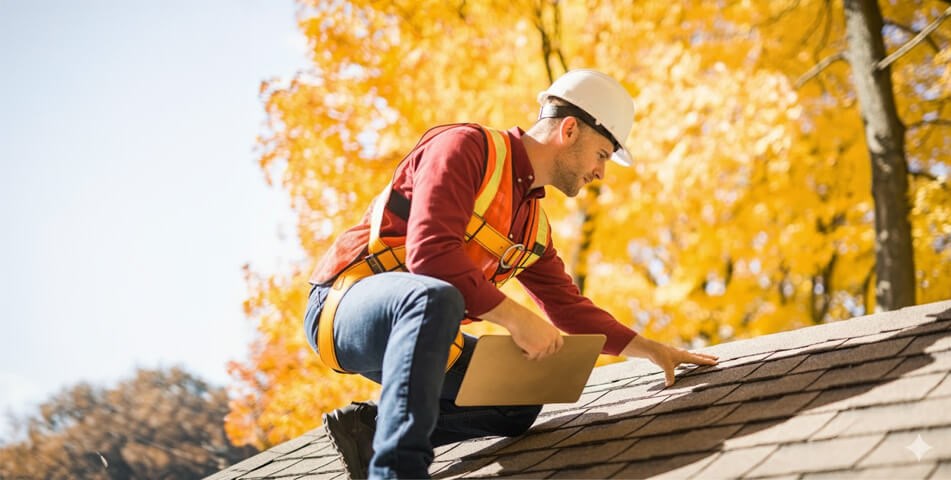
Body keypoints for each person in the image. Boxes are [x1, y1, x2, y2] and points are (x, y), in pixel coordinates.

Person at [303, 69, 719, 479]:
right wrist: (516, 318)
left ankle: (368, 431)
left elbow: (568, 308)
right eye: (602, 155)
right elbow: (431, 255)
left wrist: (650, 349)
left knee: (519, 398)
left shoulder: (532, 229)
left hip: (423, 332)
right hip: (343, 305)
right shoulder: (464, 147)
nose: (600, 173)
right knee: (434, 296)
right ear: (569, 130)